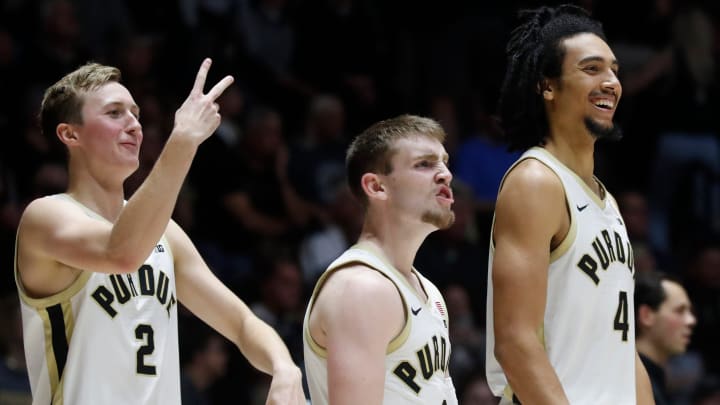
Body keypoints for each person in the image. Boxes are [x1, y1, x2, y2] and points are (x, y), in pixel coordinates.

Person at [14, 59, 305, 404]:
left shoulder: (165, 233)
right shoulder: (46, 217)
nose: (135, 125)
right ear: (70, 134)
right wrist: (182, 140)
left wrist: (285, 368)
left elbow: (240, 322)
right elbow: (120, 252)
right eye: (114, 113)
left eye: (135, 113)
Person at [484, 4, 654, 404]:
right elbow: (515, 341)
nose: (611, 81)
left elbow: (622, 347)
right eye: (591, 69)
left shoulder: (605, 200)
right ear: (548, 86)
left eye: (613, 69)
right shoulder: (536, 182)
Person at [303, 115, 459, 404]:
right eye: (424, 164)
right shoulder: (361, 287)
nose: (445, 174)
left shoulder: (428, 291)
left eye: (444, 162)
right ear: (376, 187)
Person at [635, 272, 697, 405]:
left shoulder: (655, 378)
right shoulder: (631, 380)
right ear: (646, 315)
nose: (691, 320)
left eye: (690, 312)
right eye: (679, 311)